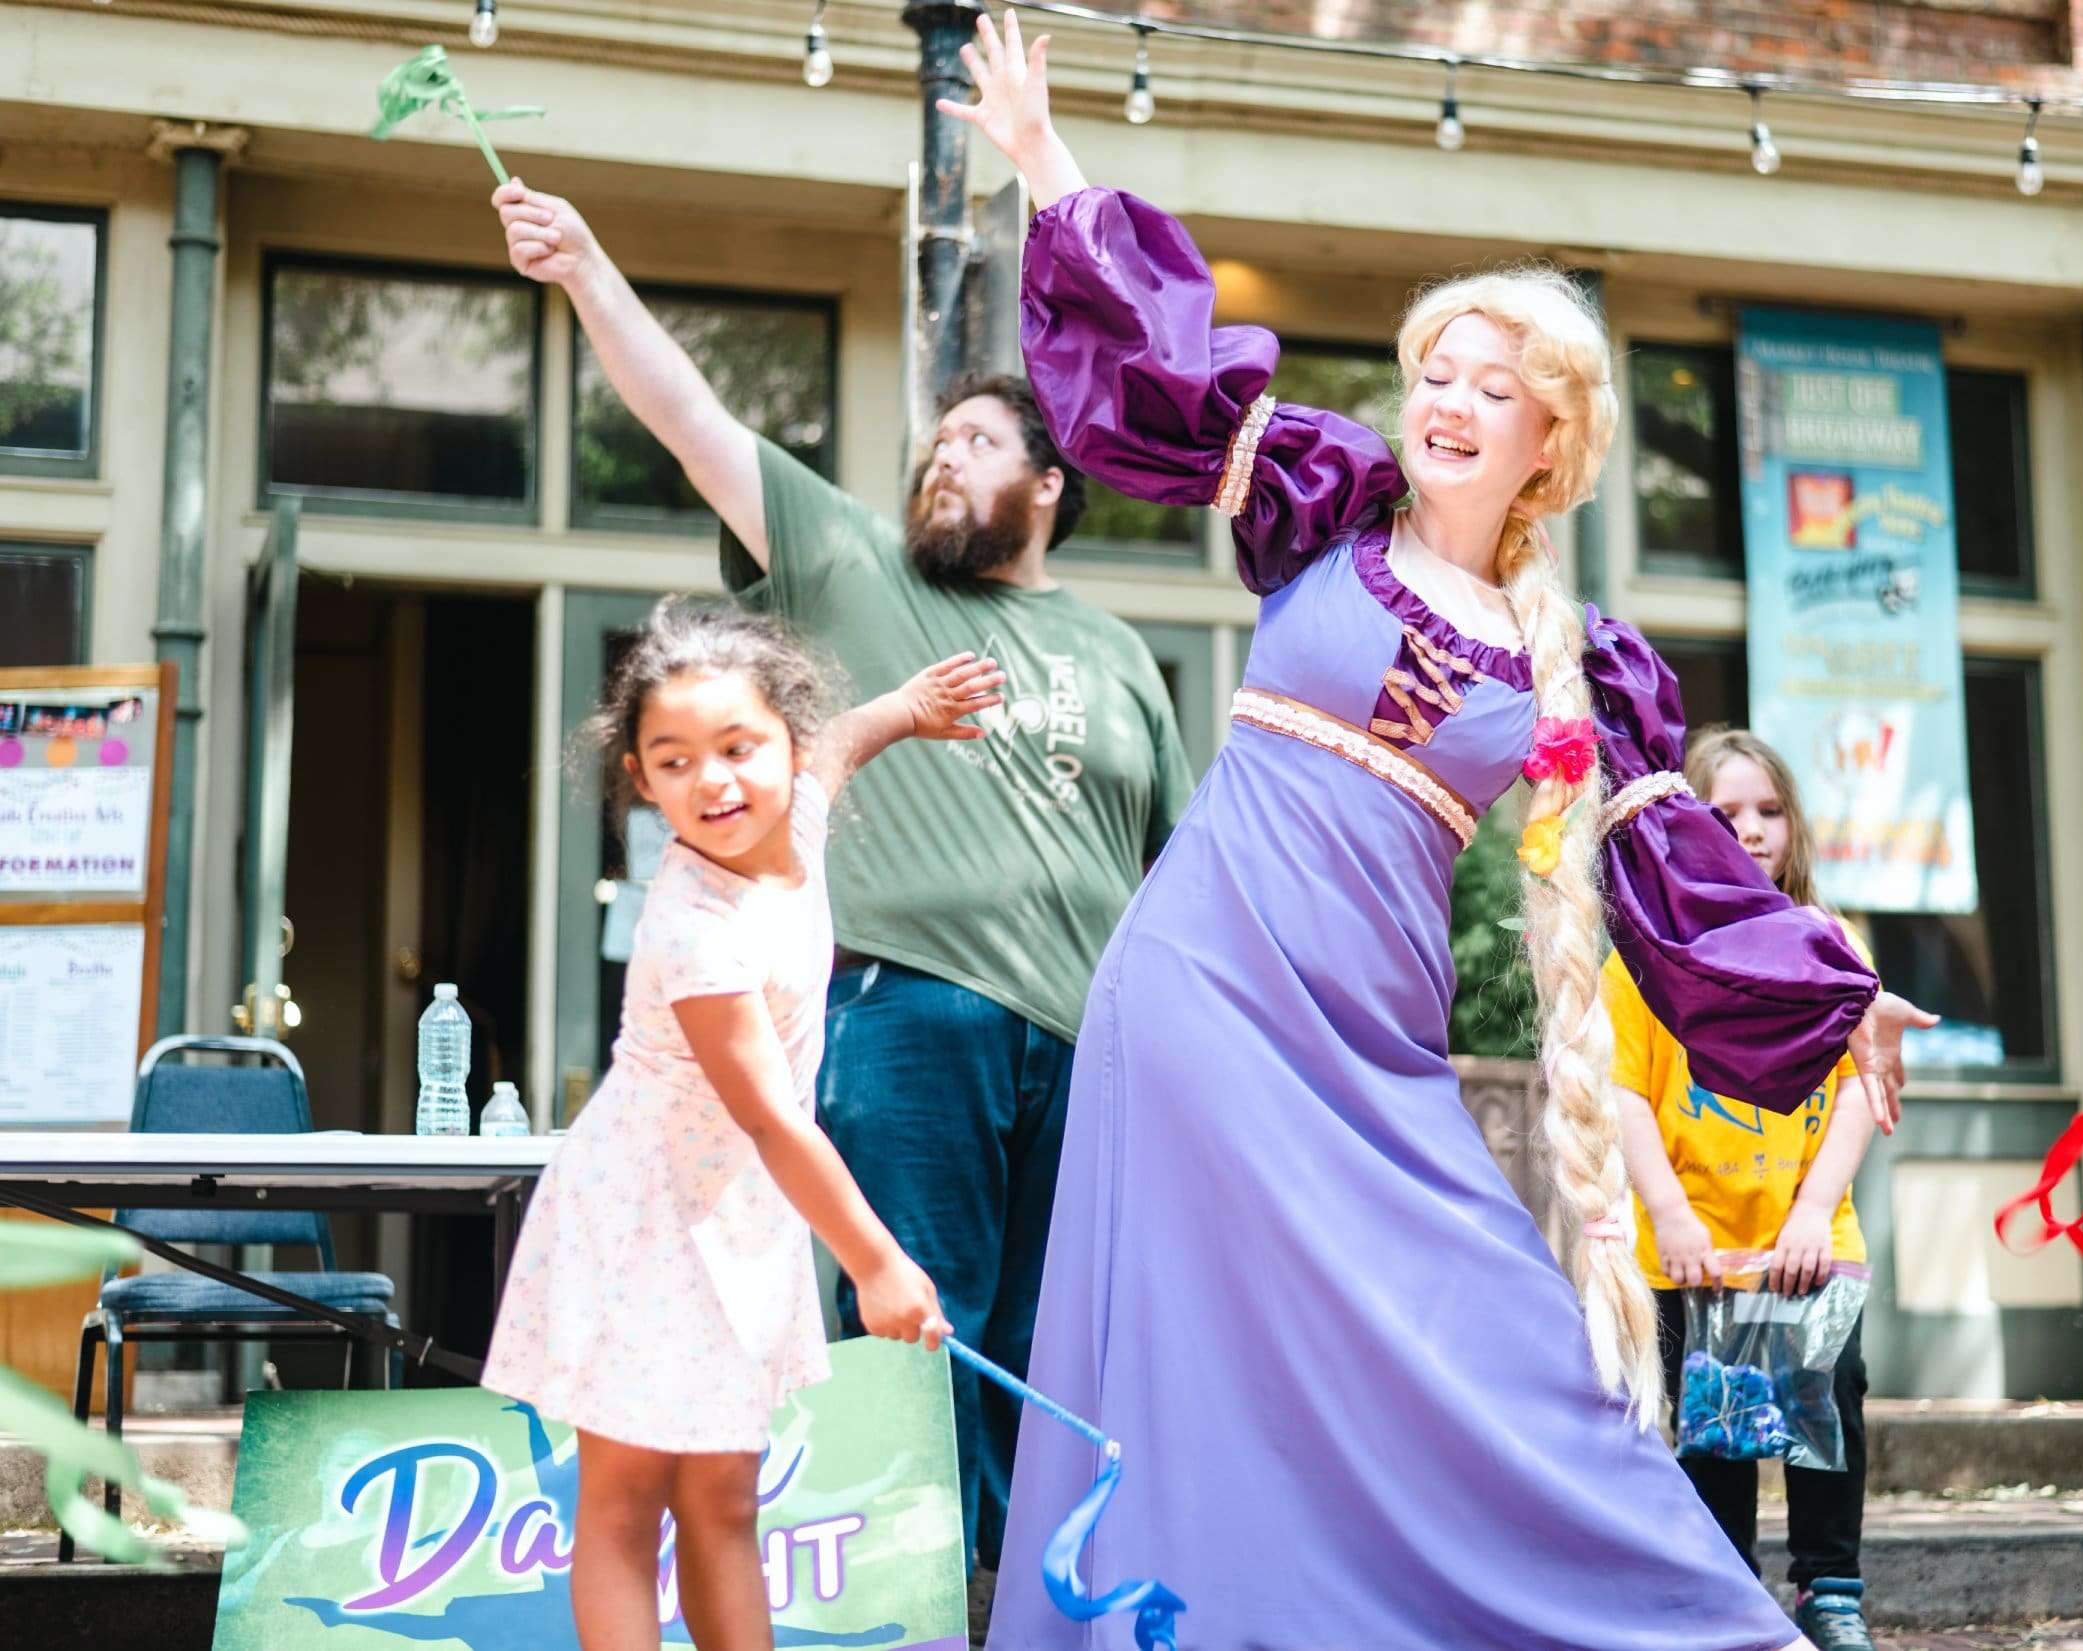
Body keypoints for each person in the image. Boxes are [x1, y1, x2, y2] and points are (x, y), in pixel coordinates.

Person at [943, 17, 1934, 1650]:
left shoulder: (1583, 669)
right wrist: (1047, 161)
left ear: (1553, 440)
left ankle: (1698, 1628)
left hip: (1372, 1045)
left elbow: (1686, 888)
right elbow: (1162, 375)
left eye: (1494, 385)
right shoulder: (1320, 500)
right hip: (1199, 988)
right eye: (1434, 375)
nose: (1450, 402)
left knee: (1489, 1329)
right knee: (1195, 1346)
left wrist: (1841, 1000)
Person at [491, 180, 1193, 1569]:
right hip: (910, 1016)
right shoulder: (854, 560)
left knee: (1049, 1346)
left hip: (1085, 1044)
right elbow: (691, 419)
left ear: (1048, 486)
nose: (943, 458)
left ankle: (1022, 1601)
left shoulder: (1120, 653)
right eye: (935, 441)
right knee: (915, 1338)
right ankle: (914, 1604)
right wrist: (585, 270)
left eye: (977, 440)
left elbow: (1172, 870)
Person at [483, 598, 990, 1651]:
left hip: (737, 1218)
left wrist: (907, 707)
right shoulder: (692, 926)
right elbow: (768, 1117)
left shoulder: (795, 814)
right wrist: (877, 1263)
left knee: (723, 1496)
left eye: (737, 747)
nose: (712, 781)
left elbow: (842, 739)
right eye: (674, 762)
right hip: (642, 1217)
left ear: (784, 745)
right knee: (623, 1500)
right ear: (640, 777)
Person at [1602, 728, 1883, 1651]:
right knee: (1711, 1430)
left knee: (1826, 1402)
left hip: (1806, 1239)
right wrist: (1669, 1215)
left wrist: (1812, 1212)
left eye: (1769, 810)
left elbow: (1861, 1084)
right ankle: (1728, 1600)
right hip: (1693, 1247)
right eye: (1726, 813)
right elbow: (1622, 1092)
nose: (1752, 830)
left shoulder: (1828, 941)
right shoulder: (1646, 954)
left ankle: (1828, 1590)